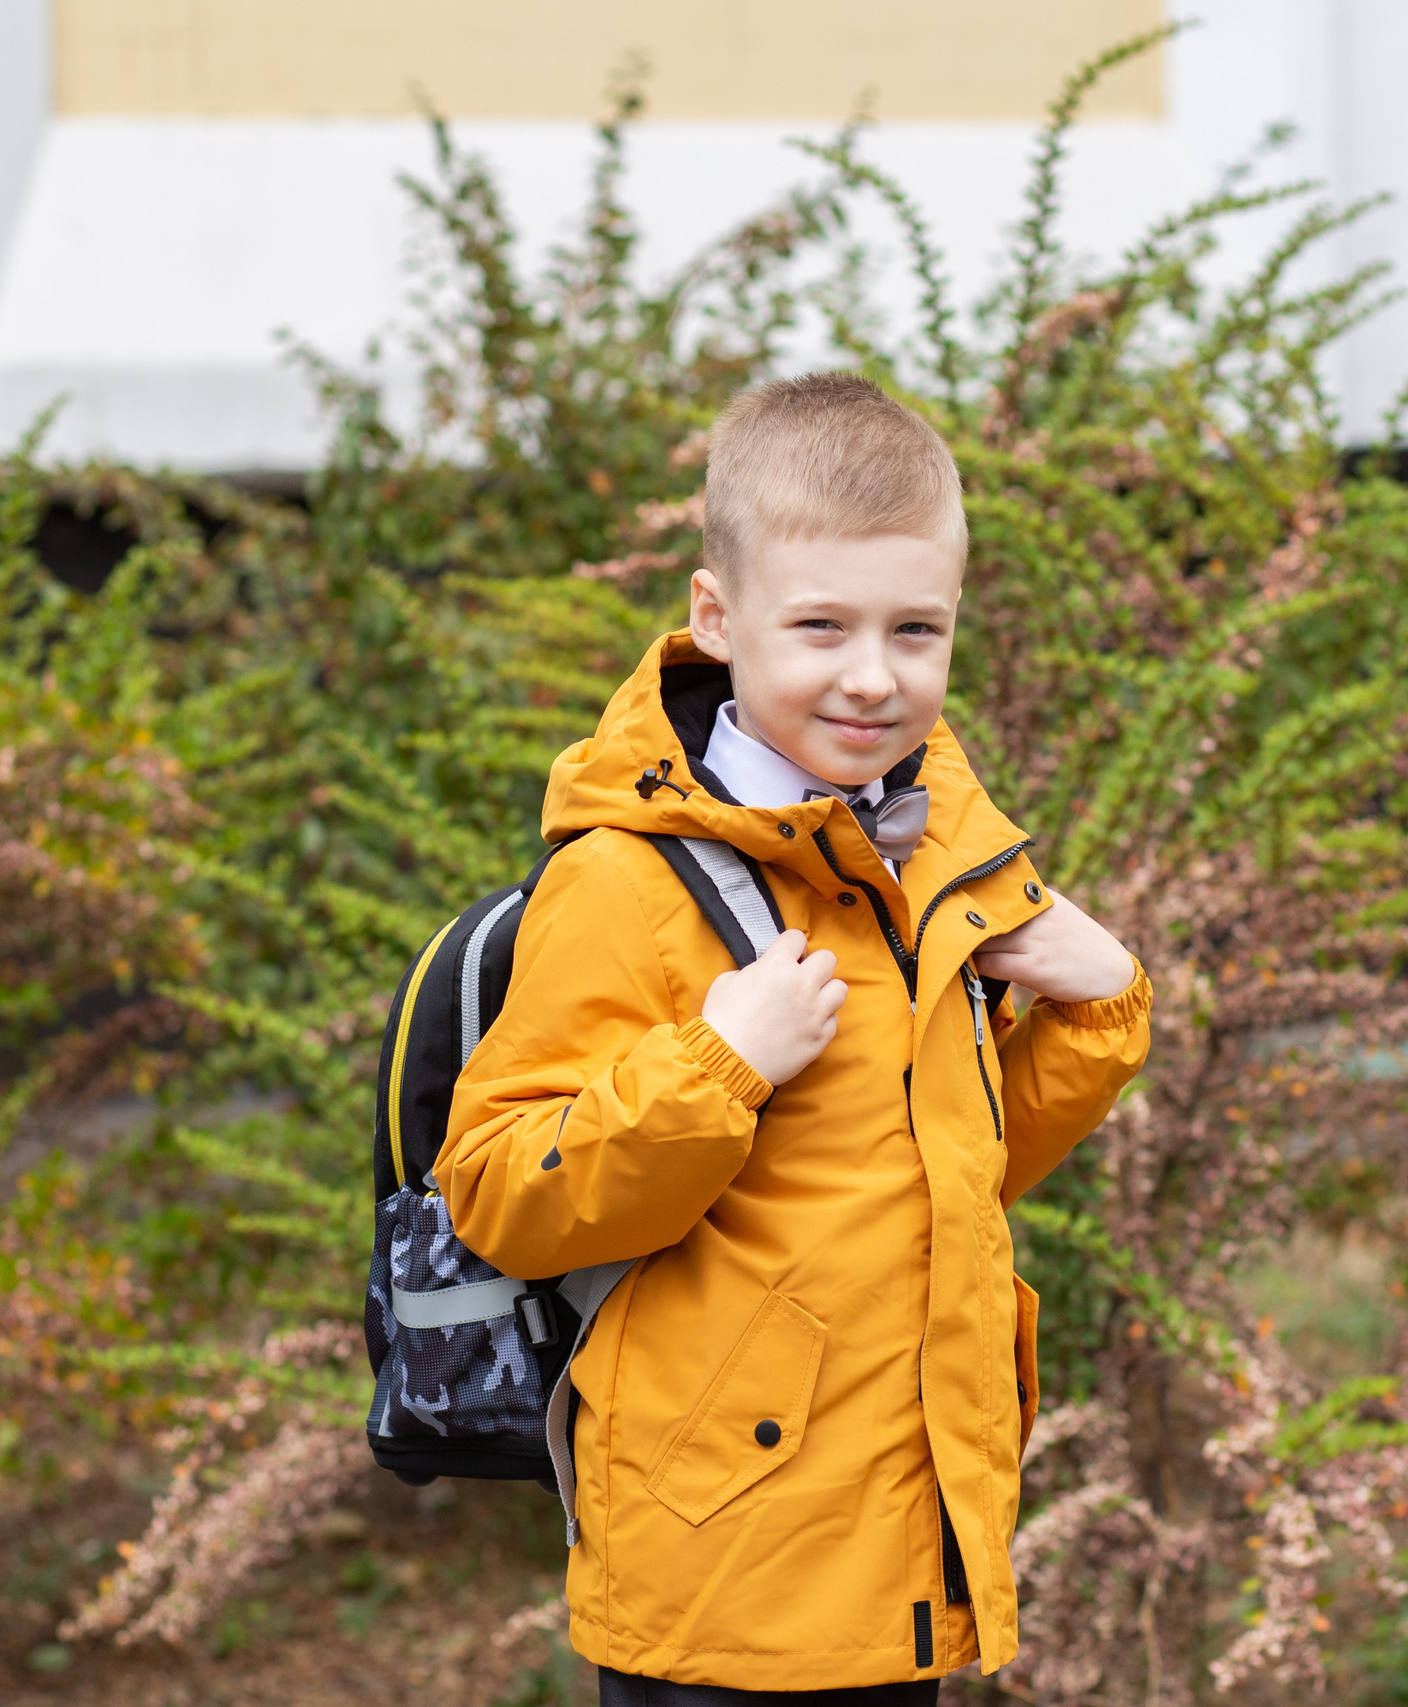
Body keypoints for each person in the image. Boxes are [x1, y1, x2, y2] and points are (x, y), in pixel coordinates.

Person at [439, 372, 1152, 1706]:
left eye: (916, 629)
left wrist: (1097, 1014)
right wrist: (719, 1067)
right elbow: (500, 1192)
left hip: (899, 1552)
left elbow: (945, 1175)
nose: (873, 677)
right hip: (719, 1579)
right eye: (821, 625)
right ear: (718, 617)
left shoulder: (935, 859)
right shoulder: (626, 880)